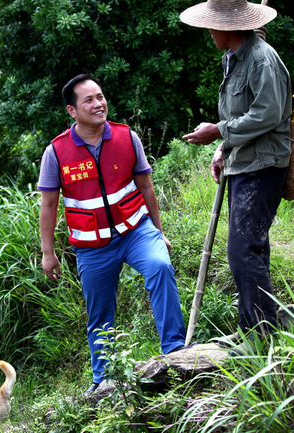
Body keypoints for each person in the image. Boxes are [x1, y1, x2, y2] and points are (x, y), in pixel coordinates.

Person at [38, 74, 186, 393]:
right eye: (88, 100)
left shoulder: (126, 136)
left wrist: (159, 233)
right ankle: (103, 380)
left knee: (160, 267)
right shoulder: (57, 152)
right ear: (72, 111)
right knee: (100, 312)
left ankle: (175, 349)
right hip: (92, 248)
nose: (98, 104)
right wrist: (47, 253)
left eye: (101, 97)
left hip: (136, 231)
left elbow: (145, 185)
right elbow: (48, 205)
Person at [180, 0, 293, 343]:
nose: (209, 32)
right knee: (251, 248)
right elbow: (241, 114)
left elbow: (268, 114)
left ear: (228, 28)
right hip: (243, 162)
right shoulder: (235, 58)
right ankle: (261, 331)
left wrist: (218, 131)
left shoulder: (260, 59)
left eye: (212, 26)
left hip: (263, 166)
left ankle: (259, 336)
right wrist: (222, 148)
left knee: (242, 251)